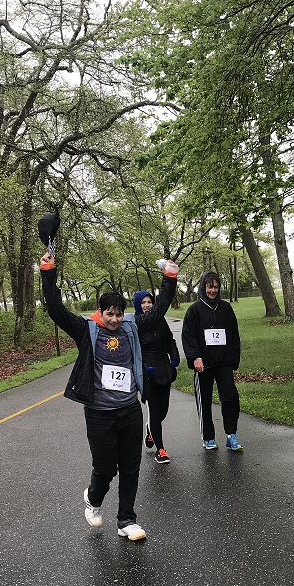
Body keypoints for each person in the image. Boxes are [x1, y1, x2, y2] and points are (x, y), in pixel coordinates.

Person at [38, 216, 178, 540]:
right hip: (99, 413)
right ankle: (93, 497)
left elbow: (157, 311)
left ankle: (127, 520)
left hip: (129, 409)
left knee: (130, 466)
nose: (114, 319)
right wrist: (48, 271)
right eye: (109, 313)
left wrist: (169, 279)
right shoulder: (86, 329)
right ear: (100, 312)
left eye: (118, 313)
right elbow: (56, 309)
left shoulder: (131, 326)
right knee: (106, 468)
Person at [181, 269, 243, 452]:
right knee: (205, 401)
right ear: (203, 287)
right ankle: (208, 437)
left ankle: (231, 435)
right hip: (203, 364)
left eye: (216, 287)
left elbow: (233, 334)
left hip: (223, 362)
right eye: (209, 287)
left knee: (230, 397)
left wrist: (234, 358)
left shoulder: (226, 308)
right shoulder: (195, 310)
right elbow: (188, 335)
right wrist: (195, 357)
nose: (213, 290)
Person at [132, 283, 181, 465]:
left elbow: (170, 341)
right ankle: (160, 450)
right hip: (148, 376)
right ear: (138, 305)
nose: (147, 305)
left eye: (149, 302)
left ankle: (150, 430)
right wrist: (144, 368)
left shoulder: (160, 320)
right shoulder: (135, 324)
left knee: (163, 411)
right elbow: (134, 351)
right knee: (154, 412)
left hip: (164, 371)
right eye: (143, 302)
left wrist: (174, 357)